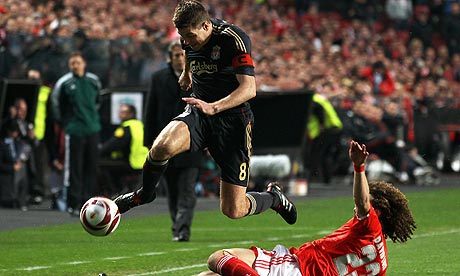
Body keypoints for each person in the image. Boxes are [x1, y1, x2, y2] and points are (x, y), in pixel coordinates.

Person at [115, 0, 297, 225]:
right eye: (183, 37)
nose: (187, 42)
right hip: (199, 112)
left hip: (233, 122)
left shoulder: (234, 39)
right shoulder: (188, 36)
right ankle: (145, 194)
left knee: (234, 209)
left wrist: (215, 107)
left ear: (206, 26)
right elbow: (189, 50)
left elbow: (249, 89)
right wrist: (187, 73)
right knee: (161, 147)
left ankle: (273, 198)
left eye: (191, 36)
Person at [196, 140, 416, 276]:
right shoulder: (382, 263)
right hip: (300, 268)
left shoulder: (370, 225)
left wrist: (359, 168)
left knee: (218, 258)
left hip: (300, 269)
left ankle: (274, 198)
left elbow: (362, 203)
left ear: (379, 209)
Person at [144, 39, 205, 242]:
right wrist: (150, 144)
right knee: (171, 190)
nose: (180, 58)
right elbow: (150, 111)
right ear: (170, 58)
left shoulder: (199, 77)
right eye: (176, 55)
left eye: (182, 55)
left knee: (187, 189)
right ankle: (177, 227)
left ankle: (183, 229)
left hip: (192, 142)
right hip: (166, 144)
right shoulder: (158, 78)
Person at [51, 51, 102, 216]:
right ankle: (74, 203)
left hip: (92, 129)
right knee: (74, 168)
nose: (75, 65)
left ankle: (89, 202)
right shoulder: (64, 83)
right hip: (75, 131)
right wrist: (68, 125)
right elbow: (56, 106)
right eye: (72, 63)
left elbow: (98, 101)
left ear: (84, 63)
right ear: (69, 65)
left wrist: (92, 119)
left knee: (92, 167)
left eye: (78, 62)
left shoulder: (93, 81)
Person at [99, 103, 149, 197]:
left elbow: (113, 145)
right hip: (145, 162)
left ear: (131, 114)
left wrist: (99, 151)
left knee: (102, 164)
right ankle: (125, 188)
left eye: (123, 112)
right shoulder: (140, 125)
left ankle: (115, 191)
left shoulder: (126, 127)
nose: (120, 115)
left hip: (132, 162)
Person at [302, 92, 343, 184]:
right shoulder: (319, 98)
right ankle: (325, 178)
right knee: (326, 154)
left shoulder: (313, 100)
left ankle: (315, 177)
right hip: (336, 126)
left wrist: (321, 125)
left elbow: (319, 111)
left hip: (329, 129)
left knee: (319, 154)